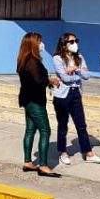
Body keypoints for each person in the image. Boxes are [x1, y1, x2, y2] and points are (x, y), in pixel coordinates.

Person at [52, 33, 100, 165]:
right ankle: (62, 152)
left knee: (81, 125)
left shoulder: (79, 57)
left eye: (76, 41)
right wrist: (75, 73)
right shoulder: (57, 58)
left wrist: (74, 69)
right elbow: (65, 79)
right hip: (63, 95)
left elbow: (87, 75)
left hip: (76, 93)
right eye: (71, 41)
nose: (74, 43)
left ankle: (88, 153)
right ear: (64, 44)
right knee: (63, 125)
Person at [16, 32, 62, 177]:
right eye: (39, 41)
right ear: (33, 44)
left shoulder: (24, 59)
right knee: (45, 131)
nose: (42, 44)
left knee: (30, 130)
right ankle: (43, 165)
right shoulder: (32, 61)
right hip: (35, 101)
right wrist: (51, 81)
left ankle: (28, 162)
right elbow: (39, 81)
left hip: (27, 99)